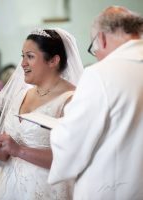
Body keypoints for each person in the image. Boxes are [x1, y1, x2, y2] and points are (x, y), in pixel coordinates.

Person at [48, 6, 143, 200]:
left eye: (94, 48)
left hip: (112, 190)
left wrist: (60, 126)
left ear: (102, 38)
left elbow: (71, 142)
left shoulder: (100, 74)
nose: (97, 55)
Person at [0, 28, 84, 200]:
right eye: (22, 56)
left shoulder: (71, 99)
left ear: (53, 61)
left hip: (47, 189)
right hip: (10, 188)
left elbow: (72, 158)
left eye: (30, 56)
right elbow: (8, 152)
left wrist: (19, 150)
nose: (22, 64)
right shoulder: (20, 96)